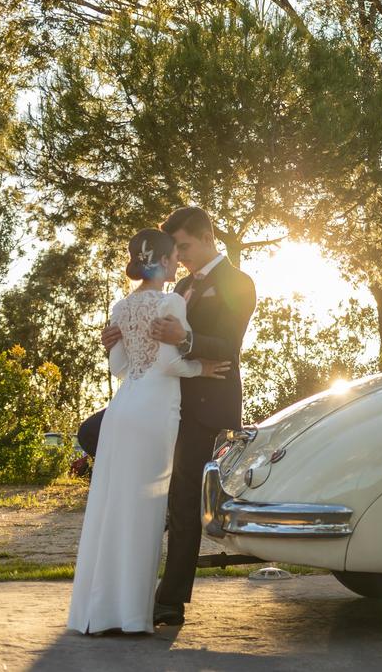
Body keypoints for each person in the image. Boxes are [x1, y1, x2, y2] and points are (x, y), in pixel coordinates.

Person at [67, 228, 230, 634]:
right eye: (175, 256)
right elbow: (171, 365)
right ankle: (131, 615)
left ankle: (100, 612)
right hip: (155, 412)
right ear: (161, 260)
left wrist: (114, 345)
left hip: (123, 408)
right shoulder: (171, 300)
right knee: (145, 510)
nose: (178, 263)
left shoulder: (121, 306)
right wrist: (203, 368)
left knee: (113, 505)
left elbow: (119, 368)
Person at [112, 206, 256, 626]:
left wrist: (187, 338)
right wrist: (120, 337)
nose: (180, 255)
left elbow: (229, 344)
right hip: (163, 401)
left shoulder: (239, 282)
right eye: (176, 248)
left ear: (207, 238)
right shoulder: (182, 284)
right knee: (152, 492)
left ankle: (170, 600)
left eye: (185, 246)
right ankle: (137, 583)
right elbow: (153, 342)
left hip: (207, 407)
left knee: (183, 500)